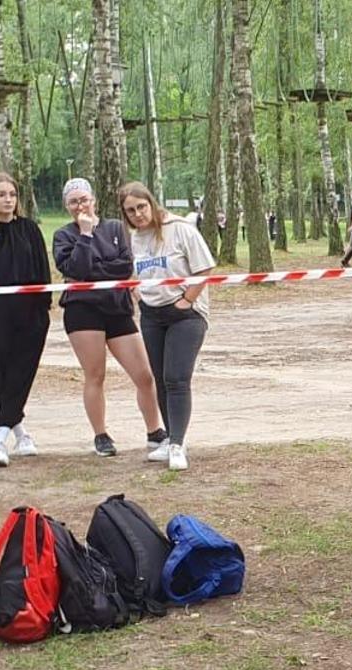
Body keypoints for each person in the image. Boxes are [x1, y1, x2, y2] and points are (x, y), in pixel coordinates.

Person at [55, 178, 163, 457]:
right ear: (67, 206)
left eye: (84, 199)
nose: (80, 205)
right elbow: (76, 269)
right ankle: (100, 434)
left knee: (144, 374)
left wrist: (95, 271)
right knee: (95, 374)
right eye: (74, 202)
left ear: (93, 200)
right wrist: (85, 235)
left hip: (117, 307)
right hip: (83, 311)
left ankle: (154, 431)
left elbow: (124, 266)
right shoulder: (64, 236)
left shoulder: (115, 227)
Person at [119, 182, 214, 472]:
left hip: (185, 314)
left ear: (151, 203)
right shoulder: (135, 238)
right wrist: (138, 293)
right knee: (160, 378)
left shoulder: (180, 229)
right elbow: (135, 272)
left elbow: (204, 268)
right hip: (152, 314)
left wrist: (187, 301)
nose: (138, 214)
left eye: (141, 207)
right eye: (131, 210)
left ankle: (177, 445)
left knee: (176, 378)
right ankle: (171, 437)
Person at [0, 172, 51, 467]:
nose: (8, 200)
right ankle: (20, 434)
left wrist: (43, 305)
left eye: (12, 194)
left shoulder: (29, 229)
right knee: (3, 375)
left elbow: (42, 269)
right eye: (1, 195)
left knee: (21, 372)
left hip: (31, 314)